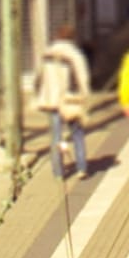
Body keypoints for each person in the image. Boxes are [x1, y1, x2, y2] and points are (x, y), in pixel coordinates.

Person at [35, 35, 92, 178]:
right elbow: (82, 77)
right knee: (77, 134)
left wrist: (40, 94)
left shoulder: (47, 54)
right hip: (70, 101)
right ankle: (81, 168)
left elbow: (38, 77)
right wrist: (84, 97)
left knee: (56, 137)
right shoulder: (74, 55)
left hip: (53, 102)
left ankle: (58, 172)